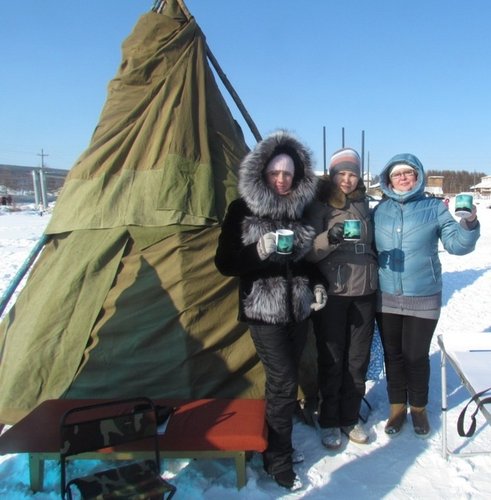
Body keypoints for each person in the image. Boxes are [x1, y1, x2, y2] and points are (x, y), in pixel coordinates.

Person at [215, 130, 327, 490]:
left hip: (298, 311)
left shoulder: (299, 212)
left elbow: (305, 263)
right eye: (275, 173)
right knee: (282, 383)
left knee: (285, 381)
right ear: (262, 172)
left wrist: (318, 285)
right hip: (263, 313)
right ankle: (277, 460)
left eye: (288, 175)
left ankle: (277, 444)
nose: (281, 180)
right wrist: (259, 251)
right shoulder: (242, 210)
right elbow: (226, 264)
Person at [374, 153, 480, 438]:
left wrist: (468, 223)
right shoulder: (379, 211)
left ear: (418, 176)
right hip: (385, 297)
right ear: (388, 179)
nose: (403, 178)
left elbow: (458, 246)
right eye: (397, 174)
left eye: (408, 173)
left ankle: (418, 408)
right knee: (393, 355)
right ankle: (397, 407)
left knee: (416, 355)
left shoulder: (434, 208)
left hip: (423, 294)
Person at [305, 148, 378, 449]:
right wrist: (331, 237)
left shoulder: (365, 203)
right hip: (334, 291)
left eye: (352, 174)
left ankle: (349, 417)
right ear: (332, 175)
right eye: (341, 173)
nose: (347, 180)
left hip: (366, 291)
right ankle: (329, 420)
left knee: (357, 360)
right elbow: (307, 251)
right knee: (333, 359)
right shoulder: (319, 204)